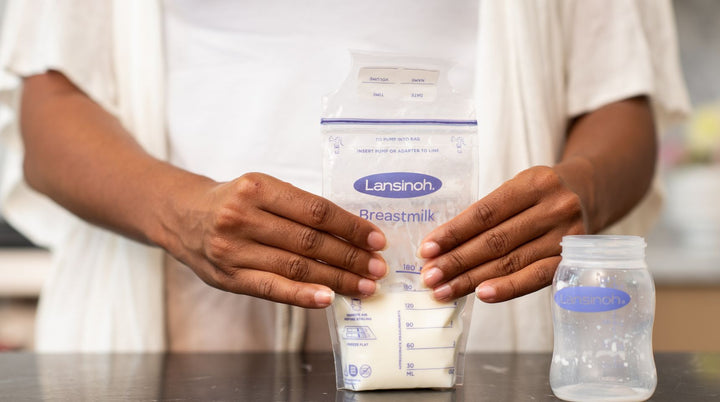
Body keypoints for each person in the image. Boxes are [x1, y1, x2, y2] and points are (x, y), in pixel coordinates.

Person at [0, 0, 689, 352]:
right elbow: (51, 105)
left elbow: (618, 95)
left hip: (478, 323)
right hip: (174, 331)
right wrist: (177, 212)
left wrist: (583, 191)